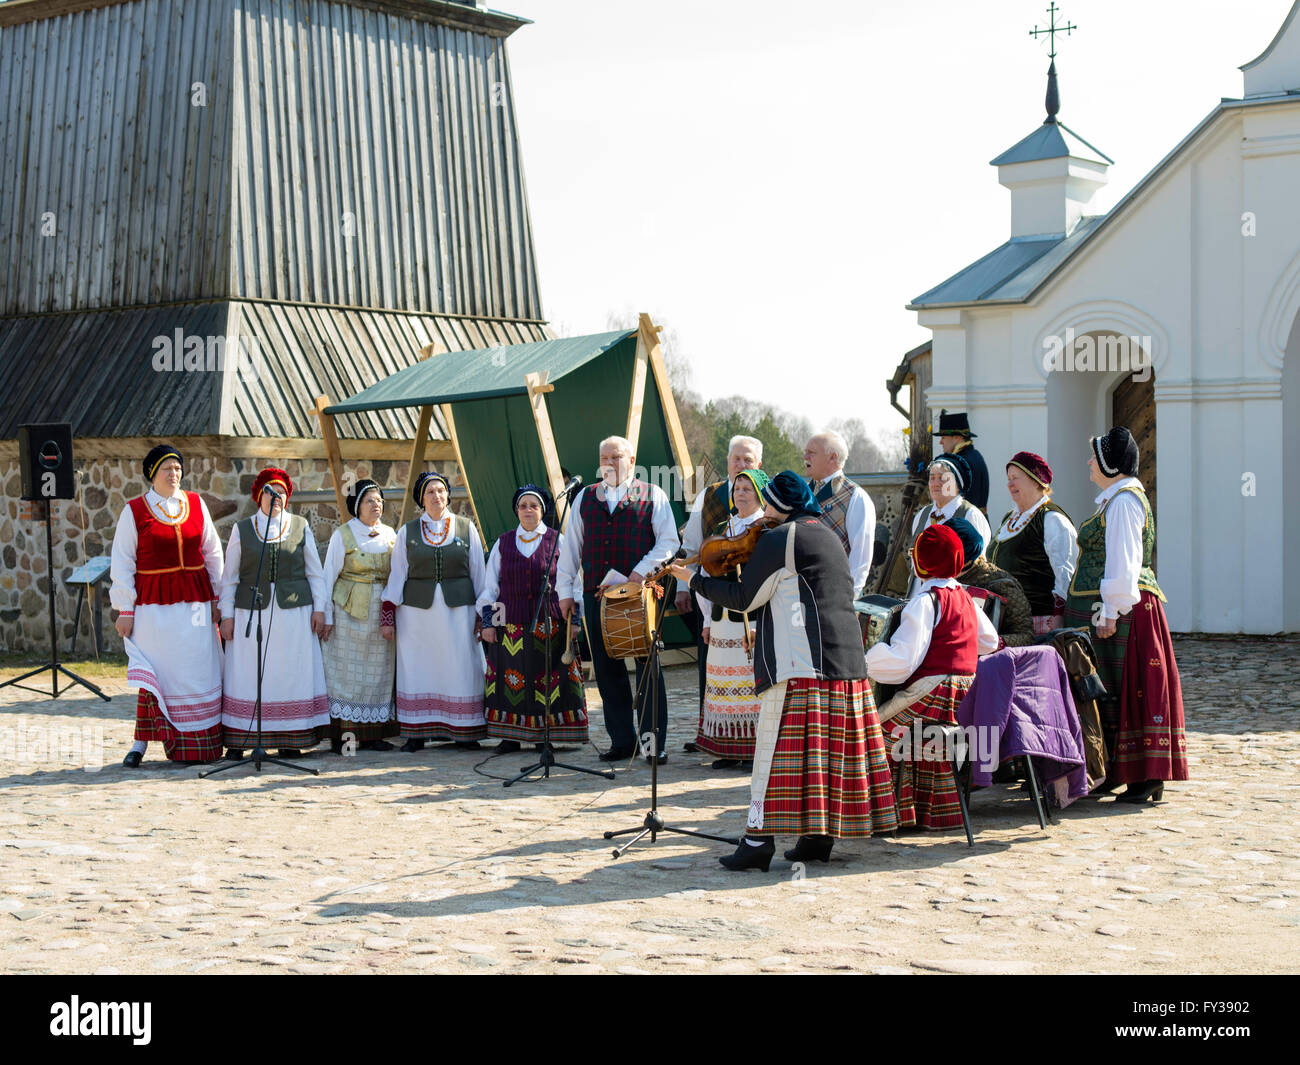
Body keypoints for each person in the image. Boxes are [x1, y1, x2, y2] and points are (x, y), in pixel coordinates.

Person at [669, 471, 899, 871]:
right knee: (825, 756)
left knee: (773, 754)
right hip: (846, 662)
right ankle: (816, 837)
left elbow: (744, 598)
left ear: (779, 504)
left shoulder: (781, 538)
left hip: (800, 662)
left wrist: (694, 579)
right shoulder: (825, 533)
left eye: (768, 504)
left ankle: (757, 841)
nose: (765, 513)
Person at [1064, 428, 1188, 803]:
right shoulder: (1117, 498)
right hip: (1125, 609)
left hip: (1130, 611)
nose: (1088, 462)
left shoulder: (1123, 502)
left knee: (1132, 689)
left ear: (1110, 464)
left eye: (1094, 456)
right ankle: (1125, 771)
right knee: (1117, 692)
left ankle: (1146, 776)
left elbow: (1124, 560)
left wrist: (1111, 610)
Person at [867, 524, 999, 830]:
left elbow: (902, 661)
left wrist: (867, 659)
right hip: (962, 695)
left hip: (932, 691)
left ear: (921, 561)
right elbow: (989, 642)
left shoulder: (925, 602)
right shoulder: (966, 597)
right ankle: (929, 813)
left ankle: (883, 814)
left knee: (872, 729)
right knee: (916, 737)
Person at [557, 436, 679, 763]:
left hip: (640, 597)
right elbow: (570, 550)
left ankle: (654, 746)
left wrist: (637, 573)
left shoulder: (653, 494)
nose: (610, 462)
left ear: (632, 458)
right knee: (608, 672)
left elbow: (669, 542)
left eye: (617, 456)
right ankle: (622, 742)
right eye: (605, 457)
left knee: (648, 670)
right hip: (597, 597)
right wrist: (565, 593)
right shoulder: (584, 498)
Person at [110, 445, 225, 766]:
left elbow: (213, 554)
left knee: (199, 671)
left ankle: (203, 743)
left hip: (197, 607)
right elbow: (122, 562)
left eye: (177, 468)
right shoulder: (134, 511)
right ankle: (140, 744)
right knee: (157, 675)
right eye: (166, 469)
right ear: (152, 474)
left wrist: (219, 600)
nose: (174, 474)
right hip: (153, 610)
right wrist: (125, 609)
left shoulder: (196, 504)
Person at [218, 468, 330, 757]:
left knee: (290, 672)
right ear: (259, 497)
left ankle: (290, 737)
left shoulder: (300, 526)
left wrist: (321, 610)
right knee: (247, 674)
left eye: (281, 493)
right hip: (250, 613)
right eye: (270, 492)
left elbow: (315, 574)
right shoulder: (242, 529)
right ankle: (242, 738)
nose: (276, 497)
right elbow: (229, 577)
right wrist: (226, 616)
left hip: (293, 613)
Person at [381, 471, 488, 750]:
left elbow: (479, 574)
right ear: (421, 499)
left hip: (459, 612)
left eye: (441, 491)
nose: (437, 496)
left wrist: (483, 615)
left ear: (448, 495)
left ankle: (466, 731)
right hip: (417, 616)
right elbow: (397, 576)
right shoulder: (408, 532)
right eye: (430, 492)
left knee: (461, 665)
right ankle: (416, 733)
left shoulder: (466, 528)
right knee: (418, 668)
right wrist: (388, 616)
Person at [477, 484, 588, 752]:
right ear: (517, 511)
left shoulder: (556, 540)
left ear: (542, 510)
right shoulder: (503, 543)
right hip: (509, 622)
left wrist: (574, 622)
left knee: (546, 679)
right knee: (509, 680)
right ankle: (510, 736)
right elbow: (490, 586)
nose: (528, 510)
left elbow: (573, 582)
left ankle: (544, 735)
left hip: (549, 623)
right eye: (523, 506)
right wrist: (489, 623)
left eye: (534, 506)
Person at [677, 435, 763, 718]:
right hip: (712, 602)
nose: (740, 464)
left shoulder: (768, 503)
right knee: (712, 670)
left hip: (753, 608)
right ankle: (712, 730)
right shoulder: (709, 495)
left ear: (758, 464)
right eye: (736, 459)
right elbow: (692, 547)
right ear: (727, 461)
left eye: (747, 460)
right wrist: (682, 586)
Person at [691, 468, 771, 769]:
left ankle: (753, 748)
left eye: (747, 489)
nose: (740, 493)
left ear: (759, 494)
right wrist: (707, 621)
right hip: (722, 618)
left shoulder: (765, 529)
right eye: (736, 488)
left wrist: (754, 623)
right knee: (722, 680)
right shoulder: (724, 527)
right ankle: (728, 746)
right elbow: (704, 573)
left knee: (751, 682)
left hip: (750, 619)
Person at [320, 478, 398, 753]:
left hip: (380, 613)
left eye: (379, 500)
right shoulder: (343, 534)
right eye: (369, 501)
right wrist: (326, 616)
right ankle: (345, 737)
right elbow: (328, 576)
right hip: (348, 613)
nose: (376, 505)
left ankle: (374, 734)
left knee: (379, 672)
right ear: (357, 505)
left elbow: (398, 574)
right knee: (347, 673)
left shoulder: (390, 534)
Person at [988, 451, 1078, 635]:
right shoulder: (1009, 519)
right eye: (1008, 479)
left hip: (1038, 622)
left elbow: (1066, 574)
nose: (1009, 484)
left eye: (1015, 478)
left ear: (1036, 481)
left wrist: (1060, 614)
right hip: (1004, 620)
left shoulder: (1052, 519)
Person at [803, 430, 875, 598]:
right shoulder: (803, 492)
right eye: (805, 453)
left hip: (836, 596)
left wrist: (849, 597)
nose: (805, 457)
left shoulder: (856, 497)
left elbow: (860, 556)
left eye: (811, 453)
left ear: (833, 457)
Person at [907, 452, 991, 596]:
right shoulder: (922, 515)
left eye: (943, 478)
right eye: (932, 477)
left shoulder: (970, 515)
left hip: (952, 602)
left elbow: (978, 570)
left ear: (957, 484)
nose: (935, 483)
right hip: (918, 599)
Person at [948, 517, 1036, 648]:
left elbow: (1026, 637)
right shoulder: (941, 580)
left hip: (987, 663)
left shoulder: (1002, 584)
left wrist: (991, 642)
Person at [934, 409, 989, 513]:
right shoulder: (975, 455)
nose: (941, 442)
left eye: (944, 437)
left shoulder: (960, 463)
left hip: (963, 524)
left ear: (957, 438)